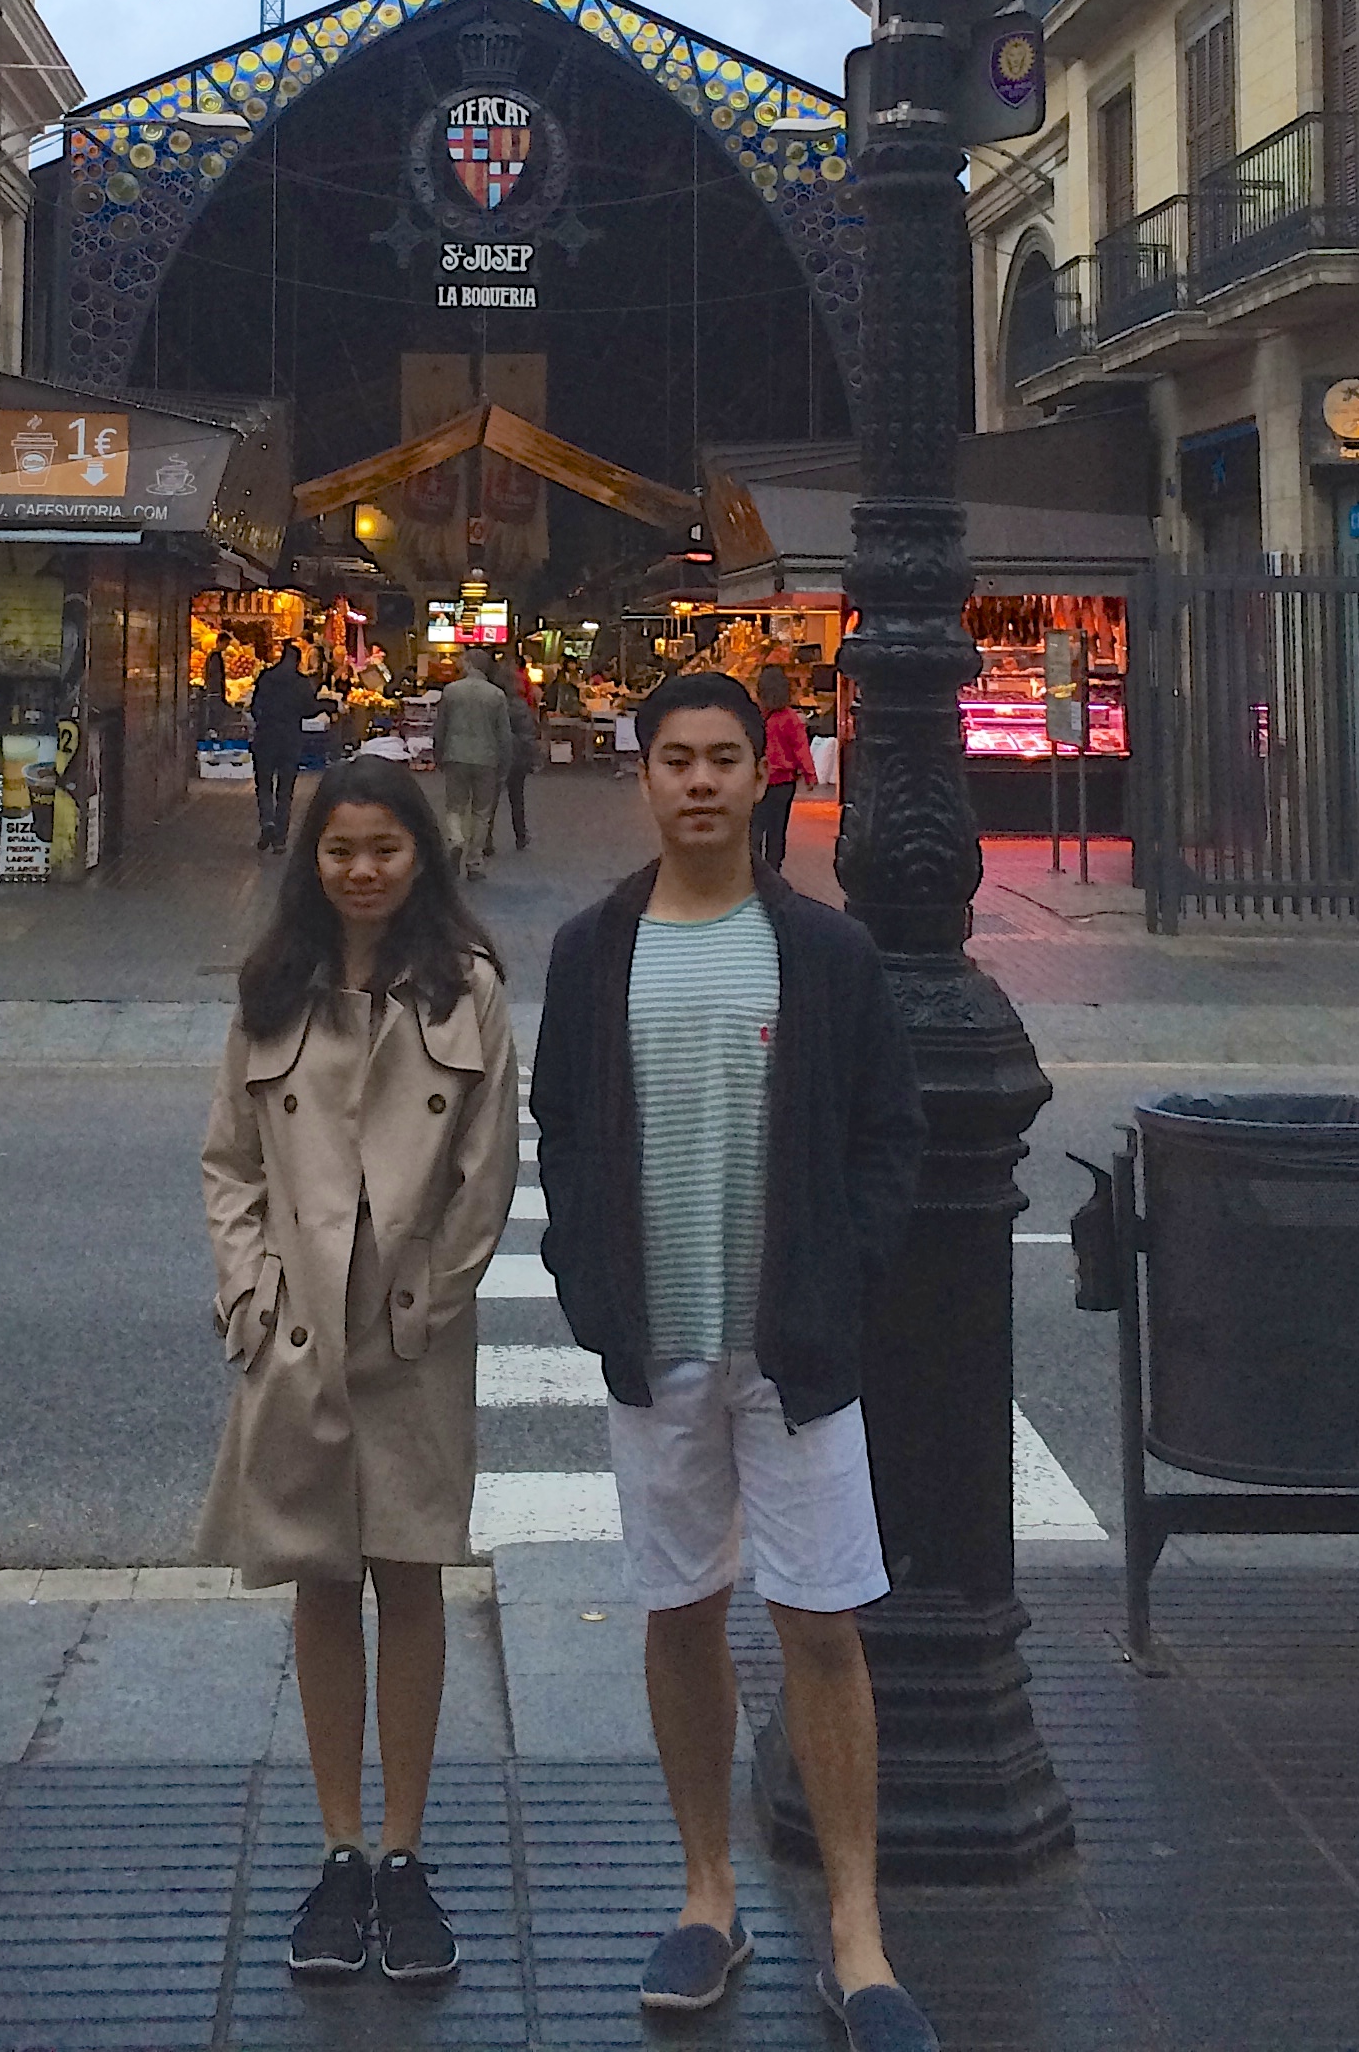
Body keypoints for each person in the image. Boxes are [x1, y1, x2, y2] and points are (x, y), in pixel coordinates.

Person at [530, 671, 932, 2050]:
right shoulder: (594, 950)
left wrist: (844, 1275)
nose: (699, 781)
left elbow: (889, 1131)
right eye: (675, 760)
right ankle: (709, 1894)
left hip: (793, 1349)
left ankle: (858, 1936)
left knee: (821, 1623)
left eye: (722, 759)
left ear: (765, 775)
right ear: (642, 777)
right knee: (681, 1614)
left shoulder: (824, 952)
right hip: (659, 1342)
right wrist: (589, 1284)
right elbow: (563, 1127)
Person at [197, 758, 519, 1989]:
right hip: (299, 1331)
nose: (363, 869)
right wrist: (251, 1295)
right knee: (320, 1580)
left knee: (413, 1575)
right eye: (341, 850)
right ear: (313, 861)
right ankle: (340, 1846)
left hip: (411, 1326)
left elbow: (486, 1168)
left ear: (421, 856)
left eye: (385, 848)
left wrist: (435, 1291)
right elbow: (230, 1162)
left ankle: (403, 1849)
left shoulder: (466, 988)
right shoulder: (273, 988)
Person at [430, 646, 510, 877]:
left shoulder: (451, 691)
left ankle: (456, 839)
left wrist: (438, 754)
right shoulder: (497, 695)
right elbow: (504, 735)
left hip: (455, 755)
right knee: (482, 812)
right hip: (487, 758)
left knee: (455, 806)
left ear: (469, 665)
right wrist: (504, 764)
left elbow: (441, 727)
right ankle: (474, 862)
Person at [248, 639, 309, 854]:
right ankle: (280, 839)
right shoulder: (301, 682)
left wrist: (263, 721)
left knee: (264, 784)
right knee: (285, 790)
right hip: (290, 740)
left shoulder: (266, 677)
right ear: (297, 661)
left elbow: (255, 706)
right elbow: (309, 709)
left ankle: (267, 821)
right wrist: (328, 706)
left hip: (266, 738)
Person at [754, 663, 814, 875]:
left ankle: (754, 870)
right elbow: (800, 747)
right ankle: (773, 871)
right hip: (784, 783)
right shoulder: (790, 718)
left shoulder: (755, 716)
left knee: (755, 827)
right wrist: (809, 775)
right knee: (777, 829)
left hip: (758, 781)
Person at [501, 661, 541, 851]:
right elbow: (527, 734)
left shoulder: (495, 701)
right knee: (517, 797)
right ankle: (521, 835)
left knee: (488, 800)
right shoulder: (520, 706)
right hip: (517, 756)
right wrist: (533, 758)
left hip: (495, 755)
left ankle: (485, 840)